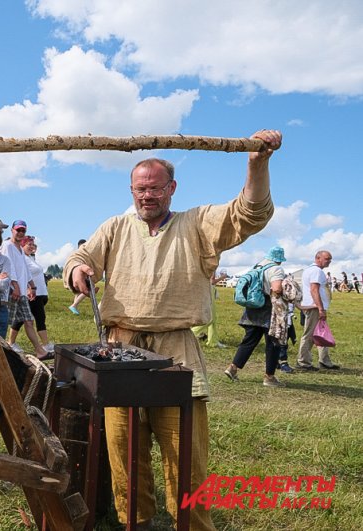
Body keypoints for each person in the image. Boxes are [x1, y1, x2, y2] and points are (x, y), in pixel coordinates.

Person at [64, 129, 281, 530]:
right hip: (119, 350)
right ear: (131, 190)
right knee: (124, 451)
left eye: (155, 188)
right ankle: (137, 522)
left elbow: (249, 214)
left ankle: (192, 524)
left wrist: (256, 162)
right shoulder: (115, 227)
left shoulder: (197, 223)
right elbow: (81, 255)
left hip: (176, 355)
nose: (147, 195)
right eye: (140, 189)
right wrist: (78, 267)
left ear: (172, 188)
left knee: (186, 456)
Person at [224, 246, 287, 387]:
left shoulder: (257, 266)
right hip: (269, 308)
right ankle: (269, 377)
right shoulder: (276, 269)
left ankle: (233, 368)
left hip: (253, 307)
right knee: (273, 342)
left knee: (249, 341)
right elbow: (276, 288)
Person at [0, 220, 48, 359]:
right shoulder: (7, 246)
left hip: (21, 291)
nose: (20, 233)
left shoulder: (20, 249)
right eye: (18, 230)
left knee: (28, 321)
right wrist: (15, 287)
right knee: (4, 320)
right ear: (12, 231)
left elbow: (25, 270)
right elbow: (9, 268)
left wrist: (32, 286)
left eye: (23, 231)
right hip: (10, 290)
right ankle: (1, 348)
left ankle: (40, 351)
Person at [8, 236, 54, 356]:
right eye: (29, 244)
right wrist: (29, 288)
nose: (32, 246)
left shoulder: (29, 258)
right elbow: (21, 274)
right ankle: (44, 345)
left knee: (25, 320)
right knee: (33, 319)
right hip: (31, 294)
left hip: (38, 293)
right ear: (22, 245)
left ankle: (12, 342)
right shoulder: (22, 258)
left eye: (33, 245)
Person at [297, 250, 340, 370]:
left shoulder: (310, 270)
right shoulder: (316, 271)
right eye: (327, 259)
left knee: (321, 333)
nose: (329, 262)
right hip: (315, 307)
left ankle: (324, 360)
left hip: (314, 306)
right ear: (318, 258)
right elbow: (314, 290)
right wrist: (320, 308)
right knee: (310, 335)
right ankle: (303, 362)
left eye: (330, 259)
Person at [191, 269, 229, 348]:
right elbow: (212, 282)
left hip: (204, 290)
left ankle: (213, 341)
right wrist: (223, 277)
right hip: (209, 290)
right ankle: (191, 334)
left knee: (213, 320)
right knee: (210, 318)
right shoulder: (212, 263)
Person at [67, 239, 88, 314]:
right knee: (87, 290)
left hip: (76, 275)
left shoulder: (76, 254)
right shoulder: (80, 255)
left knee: (78, 292)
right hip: (79, 275)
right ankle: (74, 305)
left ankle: (74, 308)